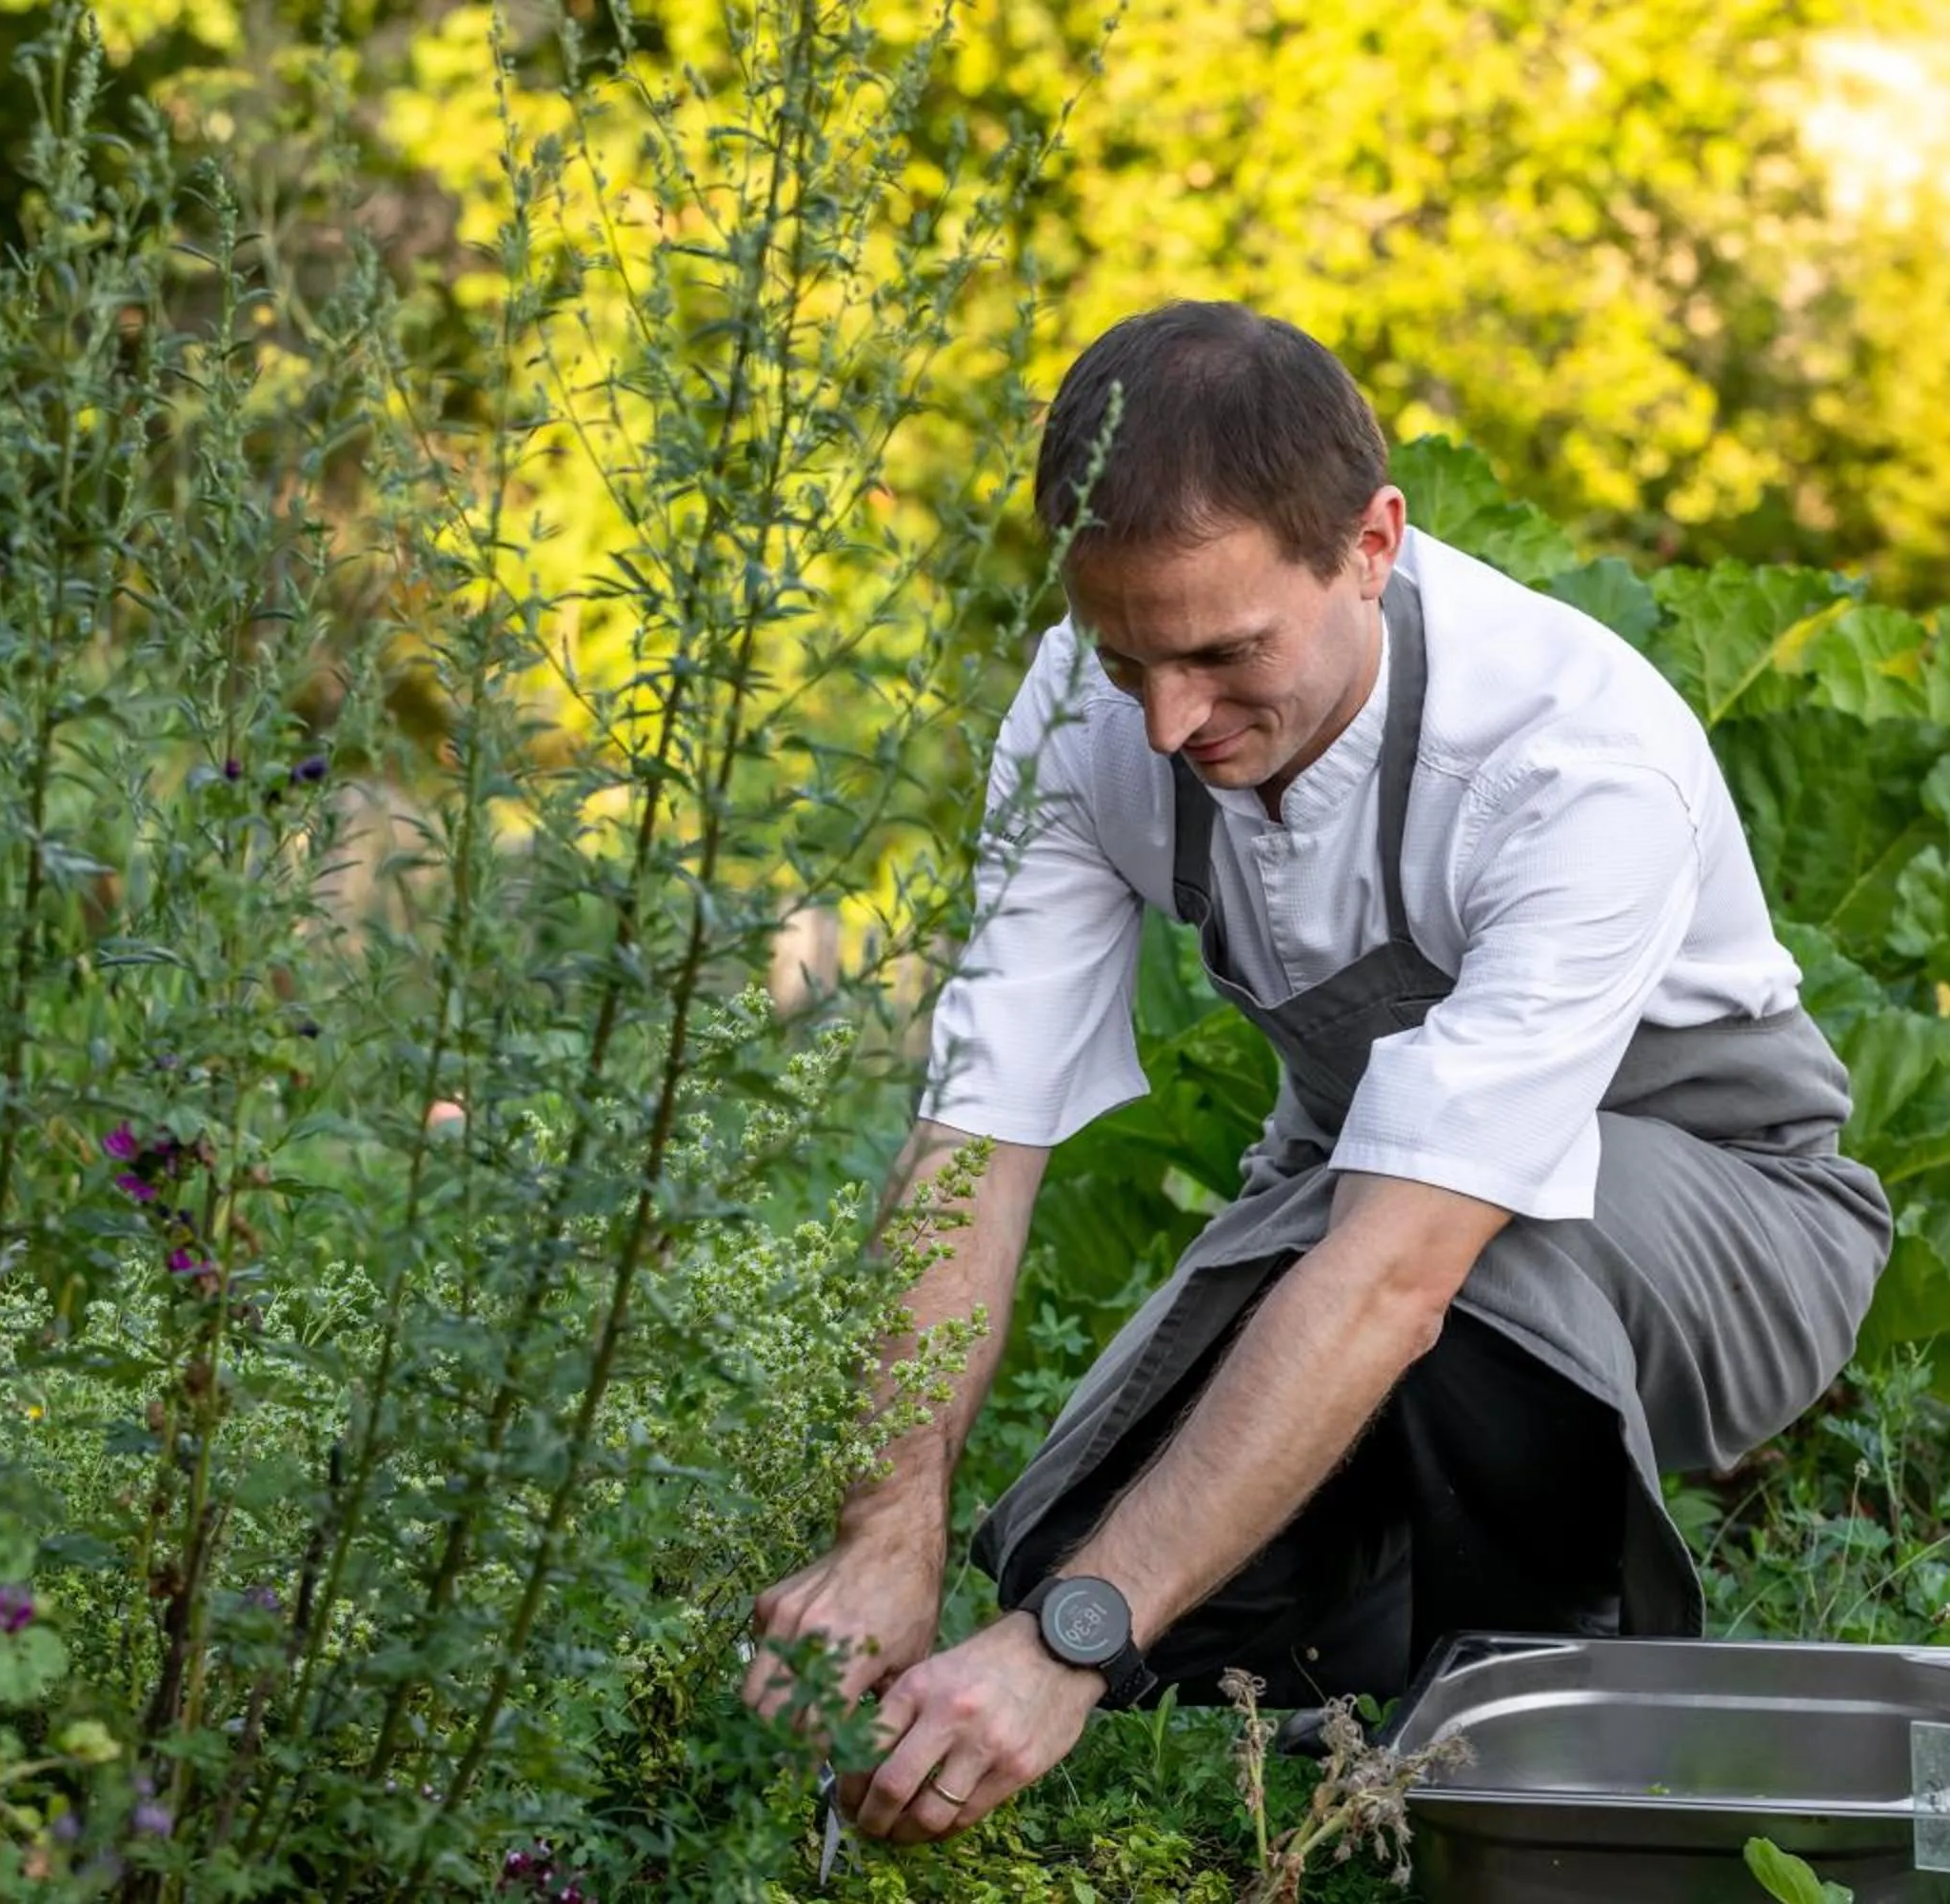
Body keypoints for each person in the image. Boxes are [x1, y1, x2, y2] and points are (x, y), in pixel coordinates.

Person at [744, 300, 1892, 1848]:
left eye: (1225, 655)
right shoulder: (1092, 714)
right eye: (1126, 653)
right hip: (1353, 1204)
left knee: (1126, 1590)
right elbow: (974, 1146)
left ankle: (1549, 1754)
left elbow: (1399, 1277)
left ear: (1372, 543)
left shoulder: (1568, 762)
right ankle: (1364, 1695)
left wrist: (1070, 1646)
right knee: (1090, 1564)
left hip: (1728, 1220)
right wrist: (890, 1532)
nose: (1169, 721)